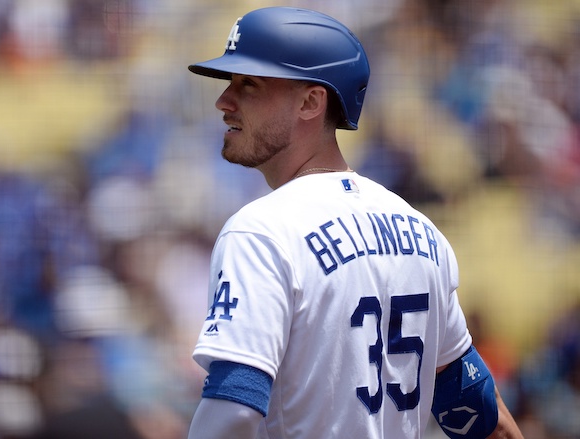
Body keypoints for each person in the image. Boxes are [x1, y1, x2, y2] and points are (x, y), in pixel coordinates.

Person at [186, 7, 523, 439]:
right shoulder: (422, 232)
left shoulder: (260, 232)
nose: (223, 100)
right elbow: (476, 409)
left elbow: (231, 414)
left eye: (249, 84)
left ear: (311, 101)